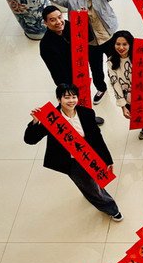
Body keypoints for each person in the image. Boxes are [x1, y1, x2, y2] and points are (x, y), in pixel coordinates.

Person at [23, 83, 123, 221]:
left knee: (92, 182)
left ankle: (90, 191)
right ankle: (111, 208)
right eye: (66, 97)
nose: (71, 101)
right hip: (71, 161)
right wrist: (35, 123)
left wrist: (107, 159)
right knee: (92, 188)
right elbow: (30, 140)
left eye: (74, 97)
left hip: (89, 154)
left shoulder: (87, 113)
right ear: (58, 99)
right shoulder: (51, 118)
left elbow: (97, 138)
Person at [38, 0, 121, 105]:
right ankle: (101, 88)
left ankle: (120, 82)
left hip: (108, 36)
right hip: (89, 42)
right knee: (96, 69)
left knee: (116, 61)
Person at [107, 30, 143, 166]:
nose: (121, 47)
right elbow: (115, 83)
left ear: (131, 45)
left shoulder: (139, 56)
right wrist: (122, 106)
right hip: (128, 98)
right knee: (138, 118)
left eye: (125, 44)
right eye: (118, 44)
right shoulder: (111, 61)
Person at [39, 5, 105, 125]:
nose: (58, 22)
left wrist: (85, 22)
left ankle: (89, 118)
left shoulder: (69, 25)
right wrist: (67, 87)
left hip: (81, 71)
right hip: (66, 79)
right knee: (73, 103)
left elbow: (88, 39)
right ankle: (77, 123)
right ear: (45, 23)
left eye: (60, 17)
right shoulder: (45, 45)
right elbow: (55, 70)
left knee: (84, 98)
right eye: (52, 20)